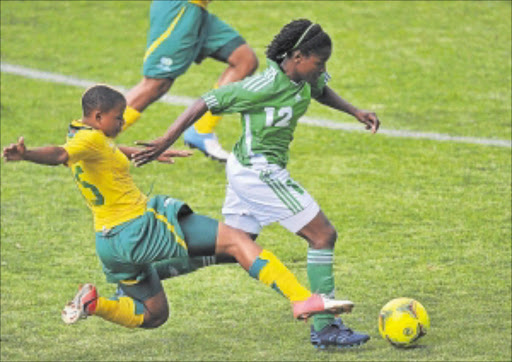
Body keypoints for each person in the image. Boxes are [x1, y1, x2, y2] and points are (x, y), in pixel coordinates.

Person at [2, 84, 354, 333]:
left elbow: (93, 149)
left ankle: (96, 304)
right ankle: (302, 299)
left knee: (154, 315)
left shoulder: (81, 134)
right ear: (97, 115)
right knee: (235, 241)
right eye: (117, 118)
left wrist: (142, 151)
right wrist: (27, 154)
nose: (122, 123)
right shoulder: (87, 139)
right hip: (138, 229)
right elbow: (60, 154)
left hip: (109, 245)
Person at [132, 19, 381, 348]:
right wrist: (166, 138)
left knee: (235, 247)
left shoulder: (306, 76)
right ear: (295, 56)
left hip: (248, 166)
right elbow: (206, 101)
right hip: (258, 171)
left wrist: (355, 111)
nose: (322, 69)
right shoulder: (262, 85)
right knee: (322, 235)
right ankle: (325, 326)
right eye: (318, 63)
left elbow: (319, 90)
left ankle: (145, 274)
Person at [123, 0, 259, 162]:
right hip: (179, 8)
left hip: (196, 10)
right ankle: (92, 136)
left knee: (245, 60)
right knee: (156, 83)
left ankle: (201, 130)